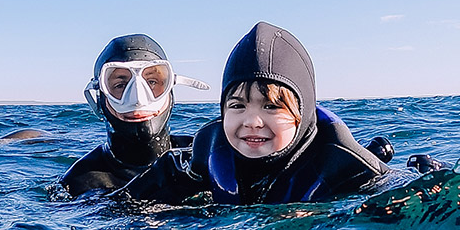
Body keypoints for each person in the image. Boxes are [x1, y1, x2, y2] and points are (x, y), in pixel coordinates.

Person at [117, 22, 393, 205]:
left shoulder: (344, 161)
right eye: (237, 105)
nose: (251, 121)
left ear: (303, 110)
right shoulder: (209, 148)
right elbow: (121, 206)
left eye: (271, 106)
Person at [60, 34, 210, 197]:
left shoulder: (204, 154)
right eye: (120, 85)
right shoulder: (79, 182)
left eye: (152, 82)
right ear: (100, 99)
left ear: (170, 90)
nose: (138, 99)